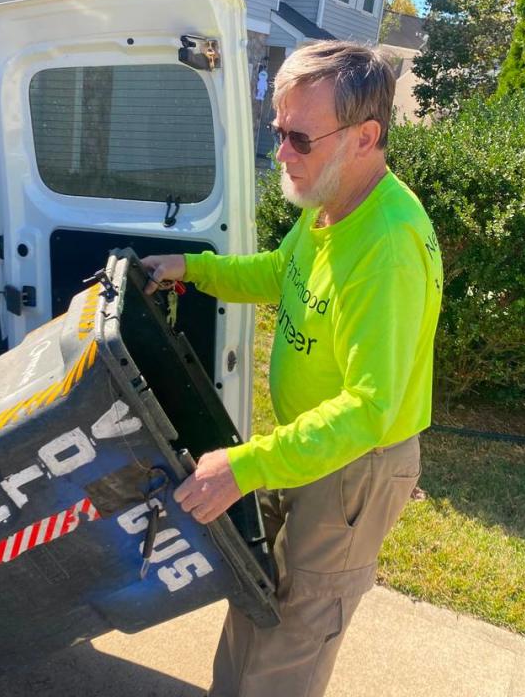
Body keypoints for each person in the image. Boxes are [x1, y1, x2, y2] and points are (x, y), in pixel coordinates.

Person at [141, 40, 443, 697]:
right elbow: (281, 273)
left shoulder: (386, 247)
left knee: (295, 637)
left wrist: (245, 466)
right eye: (278, 132)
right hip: (306, 447)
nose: (282, 154)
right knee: (256, 595)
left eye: (300, 138)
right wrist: (191, 268)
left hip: (352, 468)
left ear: (365, 137)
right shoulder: (332, 206)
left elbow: (370, 410)